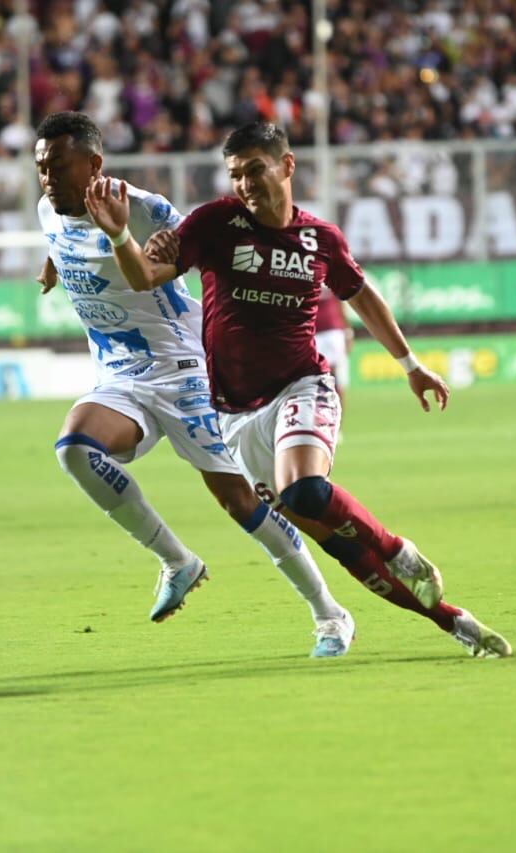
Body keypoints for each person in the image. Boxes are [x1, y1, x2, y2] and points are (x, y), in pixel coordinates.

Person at [86, 121, 512, 658]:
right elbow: (146, 276)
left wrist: (410, 364)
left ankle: (400, 550)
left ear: (286, 166)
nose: (245, 183)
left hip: (301, 387)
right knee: (333, 539)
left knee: (306, 491)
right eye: (236, 174)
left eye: (255, 170)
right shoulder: (215, 223)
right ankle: (455, 623)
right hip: (236, 417)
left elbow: (362, 296)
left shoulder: (320, 240)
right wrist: (121, 234)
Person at [33, 111, 354, 655]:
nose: (46, 178)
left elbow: (207, 242)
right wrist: (54, 263)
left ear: (93, 165)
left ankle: (329, 613)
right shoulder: (50, 208)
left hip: (185, 369)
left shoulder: (143, 209)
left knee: (241, 501)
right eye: (40, 167)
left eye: (57, 166)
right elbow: (67, 237)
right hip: (120, 376)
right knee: (75, 449)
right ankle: (177, 560)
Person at [314, 285, 353, 411]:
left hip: (332, 332)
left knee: (335, 379)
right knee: (320, 379)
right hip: (317, 333)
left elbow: (341, 302)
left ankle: (337, 424)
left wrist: (347, 329)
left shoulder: (327, 273)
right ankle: (323, 419)